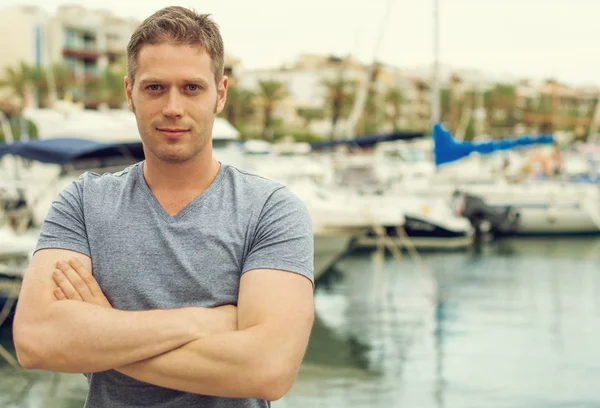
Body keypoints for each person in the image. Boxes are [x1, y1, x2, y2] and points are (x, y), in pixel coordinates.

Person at [12, 6, 315, 408]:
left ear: (220, 94)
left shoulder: (270, 210)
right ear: (129, 93)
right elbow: (36, 340)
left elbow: (267, 370)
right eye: (155, 88)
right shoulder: (83, 203)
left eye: (192, 88)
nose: (173, 107)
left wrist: (104, 335)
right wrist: (202, 321)